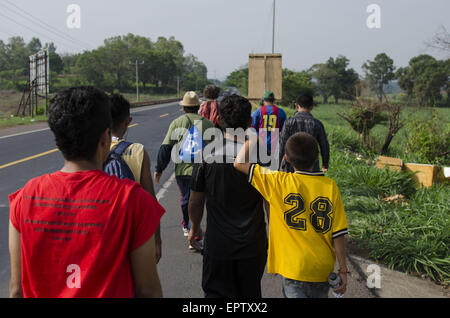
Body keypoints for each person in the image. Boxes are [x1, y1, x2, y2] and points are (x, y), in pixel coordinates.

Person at [8, 87, 165, 298]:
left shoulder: (24, 198)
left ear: (58, 141)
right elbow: (147, 290)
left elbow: (17, 289)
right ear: (105, 138)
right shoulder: (133, 200)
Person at [234, 132, 349, 299]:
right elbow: (338, 234)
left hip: (293, 268)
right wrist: (343, 270)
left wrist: (251, 139)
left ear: (286, 158)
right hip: (322, 269)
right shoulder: (330, 187)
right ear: (316, 157)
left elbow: (239, 163)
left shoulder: (277, 182)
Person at [189, 95, 268, 298]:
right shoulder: (262, 155)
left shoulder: (206, 154)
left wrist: (194, 228)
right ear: (250, 123)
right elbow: (270, 201)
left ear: (218, 121)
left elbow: (196, 202)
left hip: (218, 246)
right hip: (253, 245)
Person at [109, 94, 162, 263]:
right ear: (128, 120)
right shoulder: (137, 151)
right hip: (130, 236)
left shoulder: (89, 149)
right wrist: (157, 240)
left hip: (98, 235)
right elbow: (150, 202)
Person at [154, 91, 214, 240]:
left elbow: (166, 147)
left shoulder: (177, 122)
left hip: (183, 170)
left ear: (184, 108)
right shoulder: (207, 123)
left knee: (186, 198)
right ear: (198, 107)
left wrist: (159, 168)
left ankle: (188, 226)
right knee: (200, 200)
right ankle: (194, 226)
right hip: (203, 170)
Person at [279, 94, 330, 173]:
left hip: (292, 165)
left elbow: (282, 144)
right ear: (312, 107)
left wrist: (279, 163)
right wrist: (325, 163)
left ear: (297, 106)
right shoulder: (317, 124)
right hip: (311, 166)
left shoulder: (288, 122)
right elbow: (324, 146)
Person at [251, 91, 287, 158]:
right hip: (275, 146)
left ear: (263, 100)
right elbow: (284, 129)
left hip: (260, 145)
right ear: (274, 100)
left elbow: (251, 129)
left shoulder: (257, 112)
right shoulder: (281, 112)